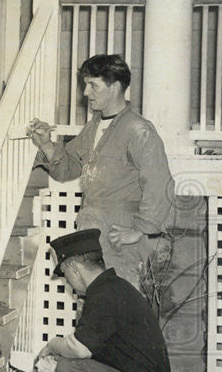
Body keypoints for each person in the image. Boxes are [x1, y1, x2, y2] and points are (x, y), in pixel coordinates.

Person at [27, 53, 173, 292]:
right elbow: (67, 169)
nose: (85, 92)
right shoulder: (94, 126)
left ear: (114, 86)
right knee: (96, 304)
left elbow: (161, 184)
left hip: (119, 238)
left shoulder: (138, 131)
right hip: (92, 234)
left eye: (93, 85)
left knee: (120, 306)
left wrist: (140, 230)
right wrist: (45, 144)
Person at [28, 229, 175, 372]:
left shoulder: (106, 294)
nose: (67, 282)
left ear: (74, 268)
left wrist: (52, 346)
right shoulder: (111, 289)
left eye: (65, 275)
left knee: (68, 367)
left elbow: (79, 349)